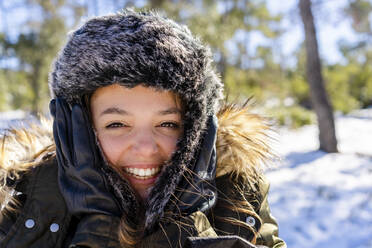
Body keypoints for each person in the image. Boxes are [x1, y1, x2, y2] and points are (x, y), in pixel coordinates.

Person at [0, 10, 286, 248]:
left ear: (195, 128)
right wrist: (101, 228)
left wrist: (186, 226)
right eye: (117, 124)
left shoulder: (238, 194)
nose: (147, 147)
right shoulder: (18, 202)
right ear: (79, 128)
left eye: (167, 124)